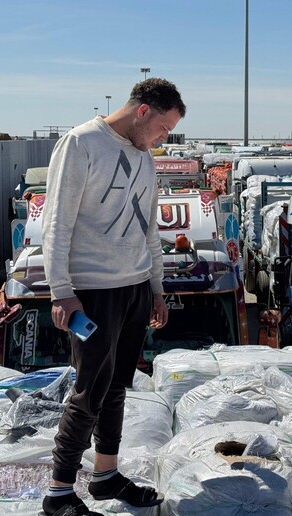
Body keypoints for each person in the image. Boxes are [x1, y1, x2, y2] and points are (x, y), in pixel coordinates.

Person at [41, 78, 186, 516]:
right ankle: (59, 491)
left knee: (118, 387)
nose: (164, 139)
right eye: (163, 128)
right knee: (89, 390)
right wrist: (61, 293)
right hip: (93, 292)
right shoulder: (81, 144)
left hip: (135, 289)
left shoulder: (144, 157)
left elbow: (149, 230)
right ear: (142, 111)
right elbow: (56, 223)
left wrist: (157, 289)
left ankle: (105, 476)